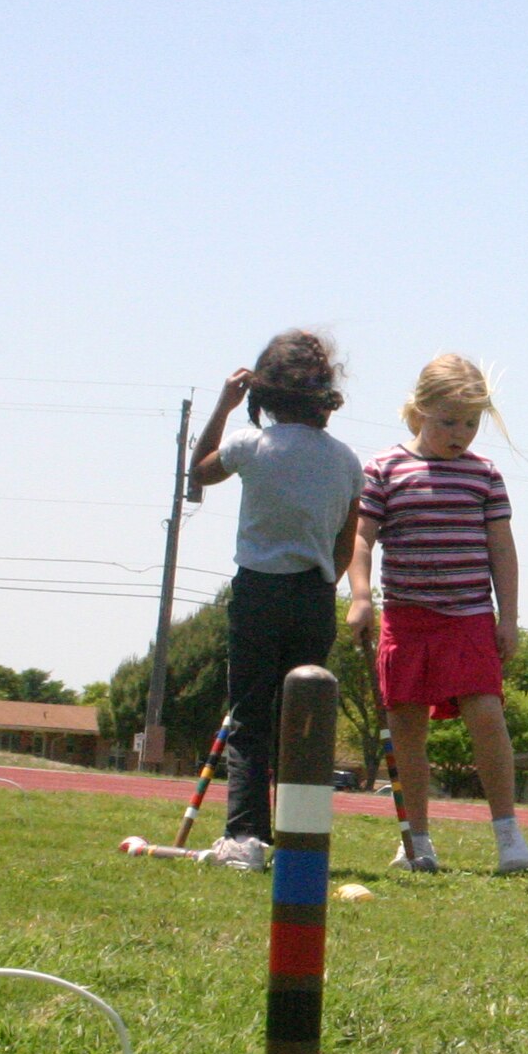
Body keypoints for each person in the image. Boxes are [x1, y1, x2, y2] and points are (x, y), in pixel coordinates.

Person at [346, 353, 528, 875]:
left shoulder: (484, 476)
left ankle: (508, 834)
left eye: (471, 423)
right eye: (448, 421)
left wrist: (508, 618)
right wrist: (361, 596)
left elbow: (502, 550)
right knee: (406, 729)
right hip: (406, 618)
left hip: (469, 617)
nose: (460, 433)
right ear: (420, 411)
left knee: (488, 719)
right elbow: (362, 539)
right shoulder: (384, 468)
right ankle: (417, 840)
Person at [189, 330, 364, 871]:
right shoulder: (345, 460)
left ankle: (245, 837)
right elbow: (346, 537)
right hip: (314, 595)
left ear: (265, 392)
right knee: (302, 721)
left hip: (258, 591)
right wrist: (324, 584)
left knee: (250, 717)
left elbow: (197, 472)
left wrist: (224, 402)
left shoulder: (250, 443)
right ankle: (299, 833)